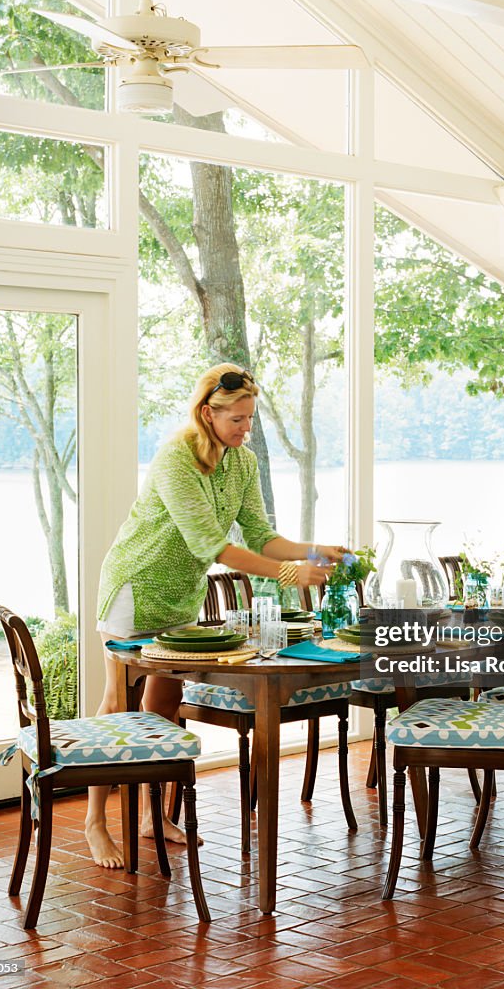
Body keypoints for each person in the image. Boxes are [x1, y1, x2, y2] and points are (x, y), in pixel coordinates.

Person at [88, 363, 348, 868]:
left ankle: (153, 815)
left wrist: (317, 549)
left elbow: (259, 535)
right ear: (208, 413)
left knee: (164, 702)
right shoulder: (175, 460)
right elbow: (213, 545)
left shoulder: (242, 463)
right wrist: (290, 576)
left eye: (250, 420)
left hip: (180, 596)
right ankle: (95, 821)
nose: (245, 429)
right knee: (120, 703)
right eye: (237, 420)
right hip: (134, 589)